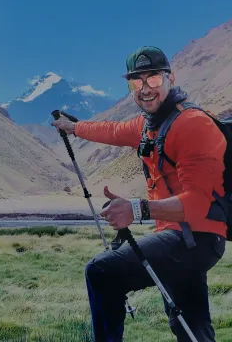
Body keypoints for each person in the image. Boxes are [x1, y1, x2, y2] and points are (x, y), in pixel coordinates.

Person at [52, 46, 227, 341]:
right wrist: (73, 127)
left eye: (153, 80)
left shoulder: (193, 125)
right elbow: (111, 130)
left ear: (170, 78)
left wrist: (136, 208)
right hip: (180, 238)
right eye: (137, 82)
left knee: (101, 272)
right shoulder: (149, 125)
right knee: (189, 327)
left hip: (197, 239)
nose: (145, 89)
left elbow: (198, 203)